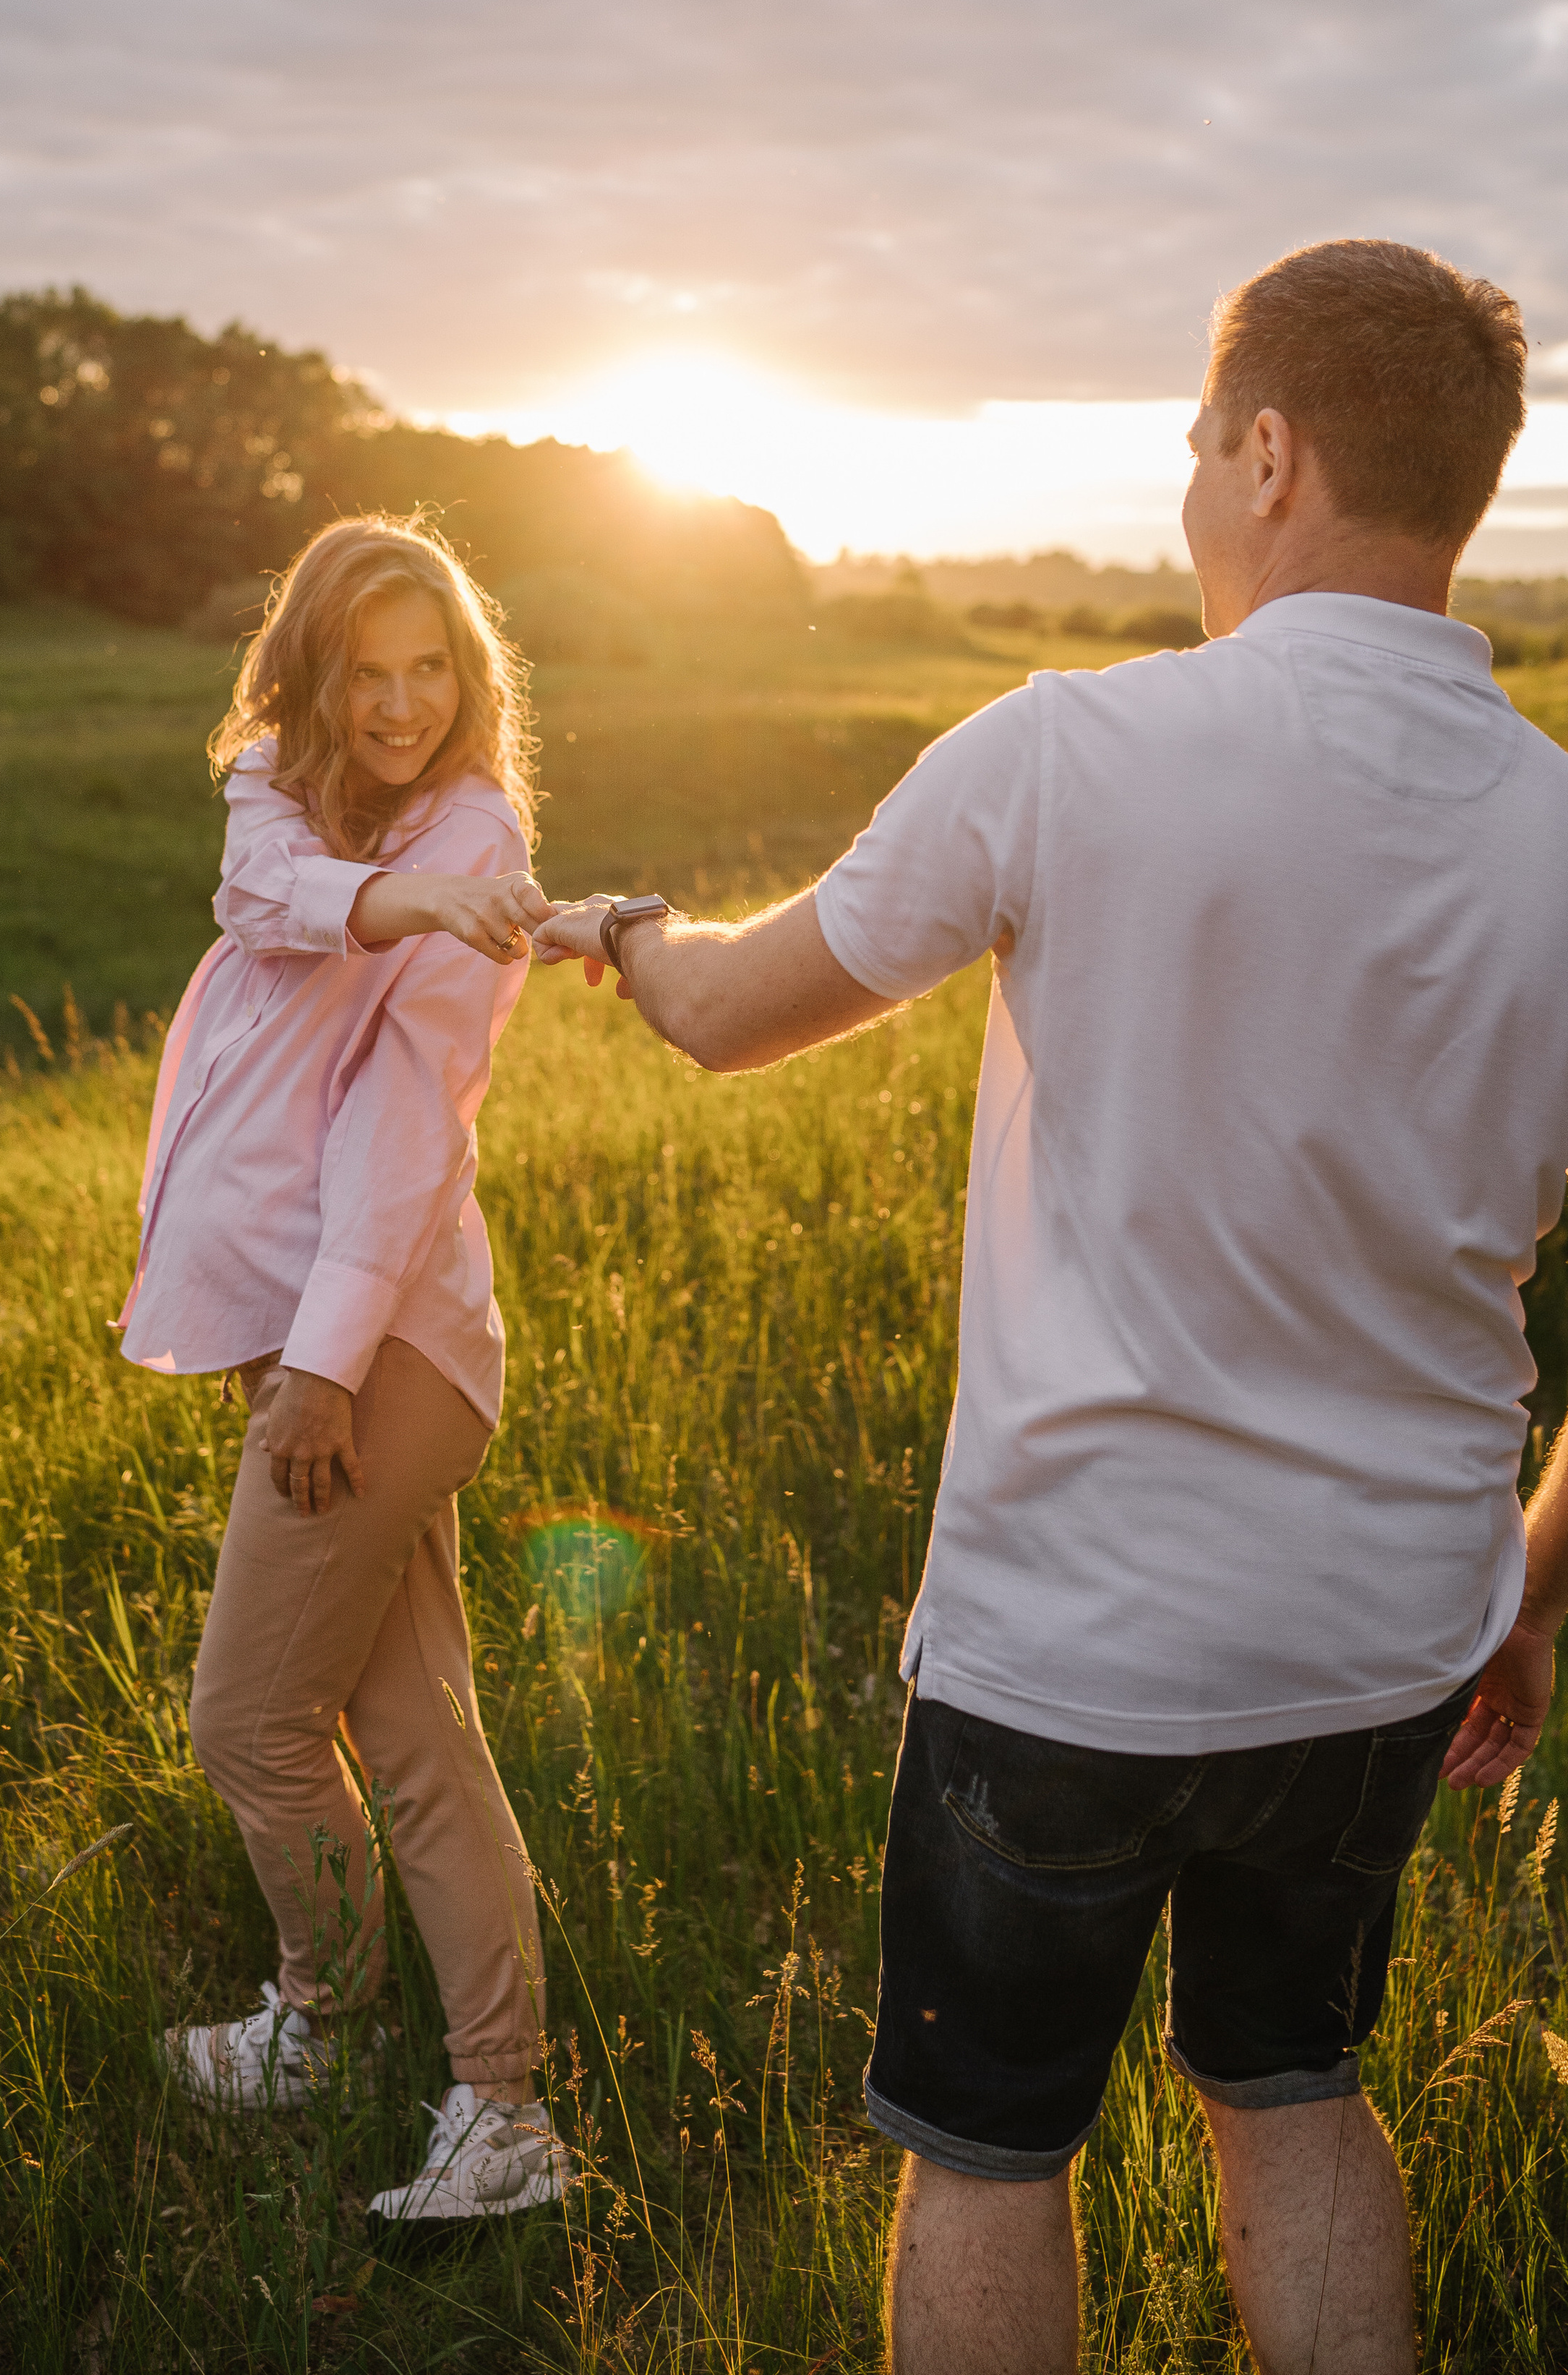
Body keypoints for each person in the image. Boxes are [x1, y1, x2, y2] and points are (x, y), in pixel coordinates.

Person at [524, 241, 1568, 2371]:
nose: (1194, 496)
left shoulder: (1063, 749)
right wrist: (1531, 1598)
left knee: (994, 2152)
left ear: (1269, 455)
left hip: (1076, 1645)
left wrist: (623, 925)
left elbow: (729, 1014)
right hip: (1388, 1642)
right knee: (1297, 2095)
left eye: (1203, 449)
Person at [116, 515, 570, 2228]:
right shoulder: (277, 793)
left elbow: (401, 1133)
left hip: (376, 1350)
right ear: (308, 671)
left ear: (470, 678)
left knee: (246, 1719)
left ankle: (327, 2024)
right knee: (413, 1730)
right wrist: (396, 898)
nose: (399, 704)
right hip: (320, 1341)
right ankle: (494, 2103)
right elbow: (262, 900)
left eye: (430, 667)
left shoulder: (481, 832)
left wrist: (316, 1372)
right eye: (365, 669)